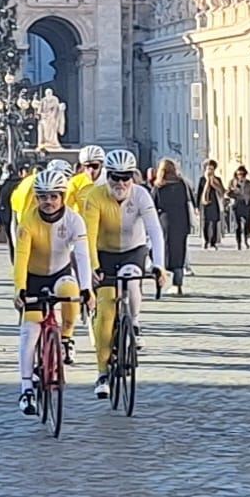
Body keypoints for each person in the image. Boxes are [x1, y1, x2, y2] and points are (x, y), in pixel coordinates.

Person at [81, 149, 166, 398]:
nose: (120, 183)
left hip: (133, 250)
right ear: (107, 176)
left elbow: (155, 232)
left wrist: (159, 265)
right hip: (104, 253)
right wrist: (93, 268)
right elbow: (89, 235)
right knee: (106, 311)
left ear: (133, 177)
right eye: (114, 177)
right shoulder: (95, 196)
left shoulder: (141, 195)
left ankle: (135, 322)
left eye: (125, 177)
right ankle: (102, 373)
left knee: (131, 280)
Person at [12, 165, 93, 414]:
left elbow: (82, 255)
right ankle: (26, 388)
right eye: (43, 197)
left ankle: (66, 338)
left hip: (60, 273)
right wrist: (20, 289)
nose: (48, 202)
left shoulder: (74, 220)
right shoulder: (27, 222)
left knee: (71, 291)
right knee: (30, 330)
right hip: (33, 278)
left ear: (63, 197)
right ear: (36, 198)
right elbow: (21, 258)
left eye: (53, 196)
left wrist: (87, 288)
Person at [152, 158, 193, 295]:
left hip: (165, 221)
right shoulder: (181, 184)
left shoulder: (159, 186)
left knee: (162, 251)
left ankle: (160, 282)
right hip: (180, 221)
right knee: (179, 253)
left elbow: (153, 205)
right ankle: (177, 284)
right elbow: (186, 202)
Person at [67, 145, 106, 216]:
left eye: (95, 166)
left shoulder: (110, 180)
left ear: (102, 165)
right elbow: (66, 207)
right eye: (87, 166)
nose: (91, 170)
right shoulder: (75, 182)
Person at [195, 160, 226, 249]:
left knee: (215, 222)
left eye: (212, 169)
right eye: (208, 168)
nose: (210, 171)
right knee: (206, 223)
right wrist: (197, 207)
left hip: (214, 202)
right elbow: (199, 193)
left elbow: (222, 190)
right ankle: (206, 240)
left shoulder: (217, 179)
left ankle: (213, 242)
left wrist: (215, 185)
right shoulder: (202, 179)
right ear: (205, 169)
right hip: (205, 204)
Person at [227, 166, 250, 250]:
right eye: (238, 174)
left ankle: (246, 239)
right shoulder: (232, 183)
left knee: (247, 224)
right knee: (237, 225)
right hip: (236, 204)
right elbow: (228, 194)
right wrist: (232, 191)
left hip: (246, 204)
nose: (240, 176)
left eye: (242, 174)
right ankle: (238, 242)